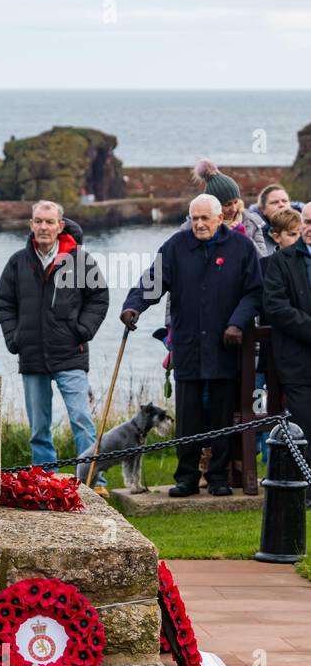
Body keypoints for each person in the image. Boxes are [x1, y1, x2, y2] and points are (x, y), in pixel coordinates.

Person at [121, 194, 263, 497]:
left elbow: (254, 292)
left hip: (225, 345)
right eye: (194, 218)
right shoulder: (176, 246)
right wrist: (133, 306)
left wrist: (237, 323)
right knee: (188, 416)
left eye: (205, 219)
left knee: (222, 414)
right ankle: (186, 477)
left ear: (219, 219)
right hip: (187, 345)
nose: (199, 224)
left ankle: (218, 478)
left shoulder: (241, 248)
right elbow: (152, 282)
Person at [0, 201, 109, 488]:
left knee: (82, 420)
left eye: (49, 222)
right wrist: (14, 337)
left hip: (71, 354)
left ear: (60, 225)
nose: (43, 227)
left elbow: (99, 298)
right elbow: (4, 301)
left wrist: (82, 330)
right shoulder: (17, 262)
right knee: (39, 429)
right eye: (38, 221)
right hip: (32, 356)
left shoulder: (80, 261)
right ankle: (43, 481)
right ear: (31, 225)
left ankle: (94, 480)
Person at [261, 204, 311, 447]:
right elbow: (275, 306)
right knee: (306, 433)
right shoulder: (280, 261)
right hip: (297, 362)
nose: (310, 228)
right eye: (308, 222)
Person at [244, 184, 297, 257]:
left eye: (285, 201)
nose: (281, 205)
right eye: (275, 202)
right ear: (263, 209)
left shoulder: (305, 229)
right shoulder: (253, 234)